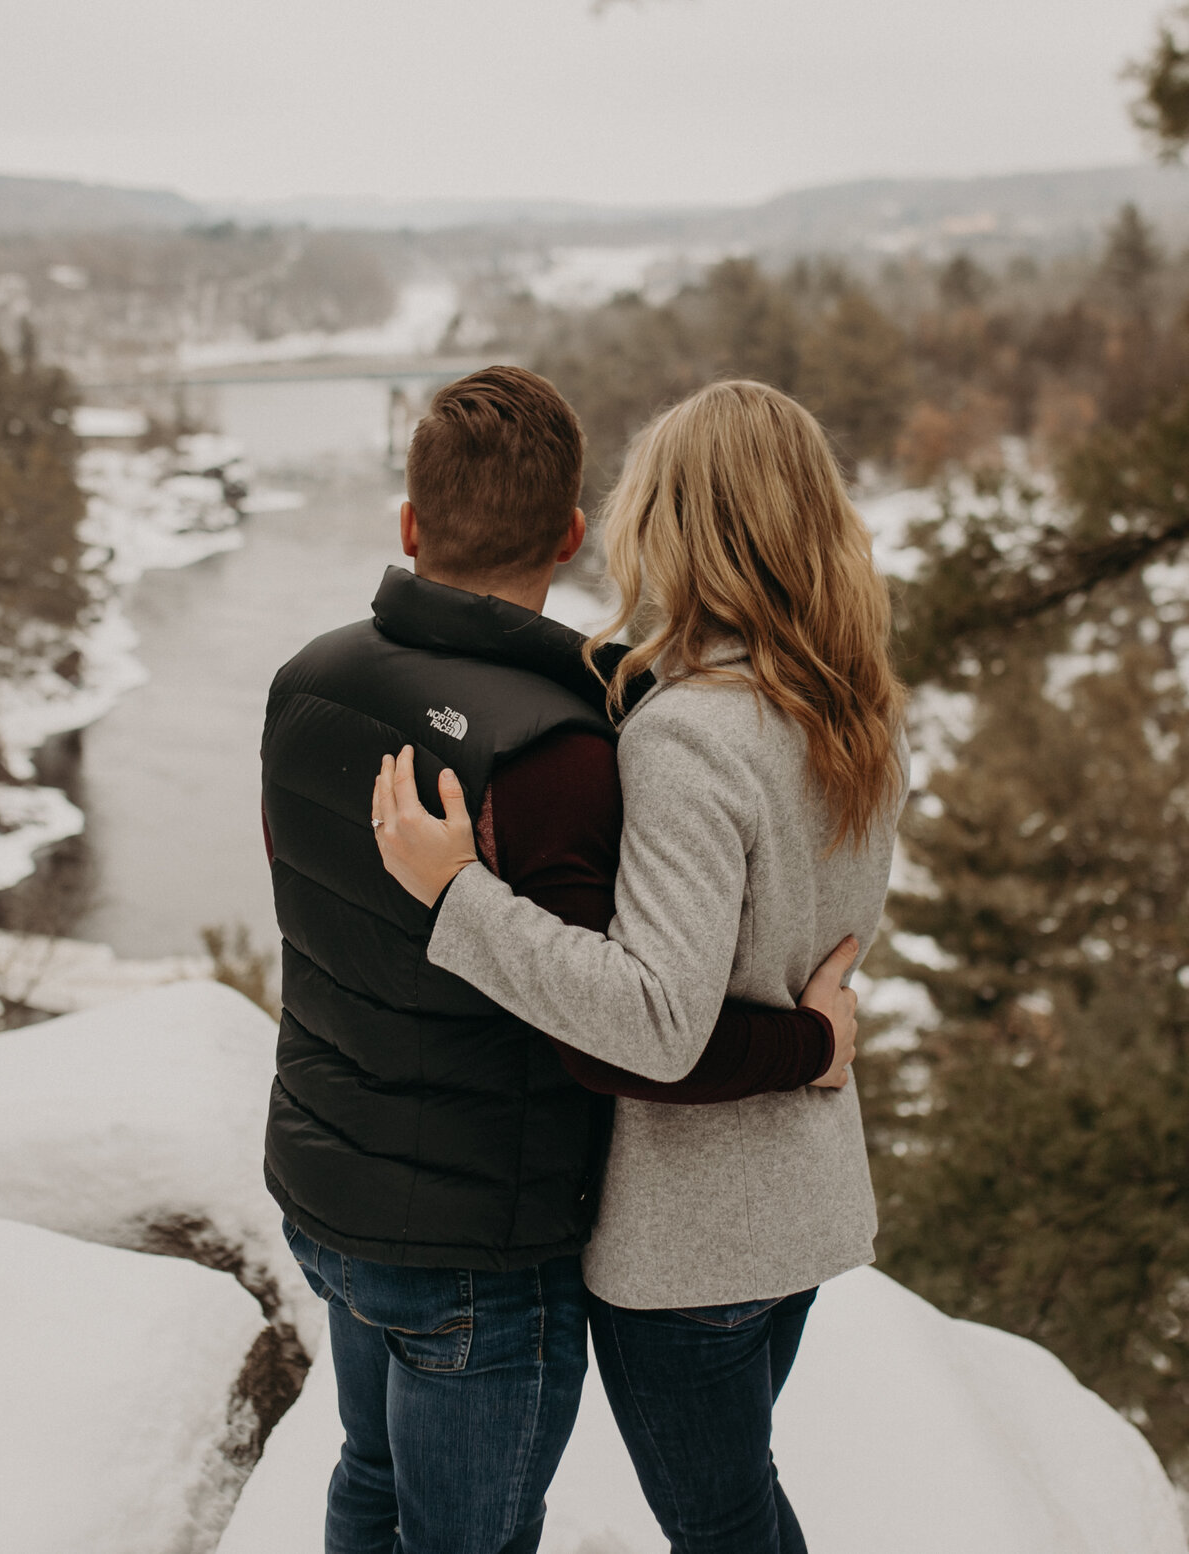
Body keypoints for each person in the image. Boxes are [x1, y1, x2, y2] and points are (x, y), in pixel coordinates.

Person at [260, 365, 860, 1554]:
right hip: (479, 1241)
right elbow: (625, 1033)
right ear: (575, 532)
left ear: (409, 523)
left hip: (328, 1189)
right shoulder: (580, 747)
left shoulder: (305, 681)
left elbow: (328, 933)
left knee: (367, 1479)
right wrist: (813, 1040)